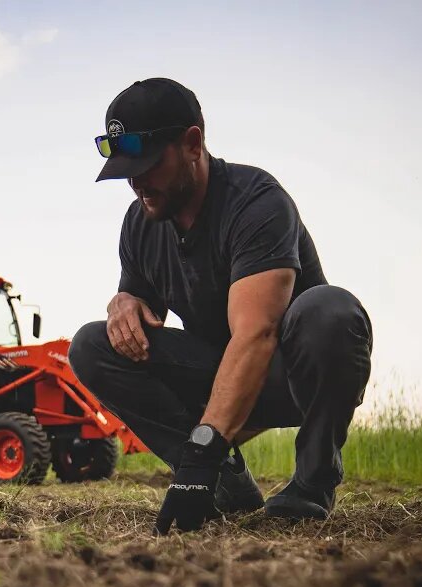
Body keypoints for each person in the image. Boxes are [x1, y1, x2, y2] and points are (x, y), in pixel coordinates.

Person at [68, 78, 374, 535]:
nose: (137, 183)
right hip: (213, 375)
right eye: (127, 169)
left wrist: (199, 454)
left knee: (330, 310)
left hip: (288, 374)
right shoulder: (141, 223)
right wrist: (123, 305)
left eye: (149, 165)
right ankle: (226, 483)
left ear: (192, 143)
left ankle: (314, 480)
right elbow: (139, 320)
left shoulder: (256, 202)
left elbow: (257, 334)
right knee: (91, 344)